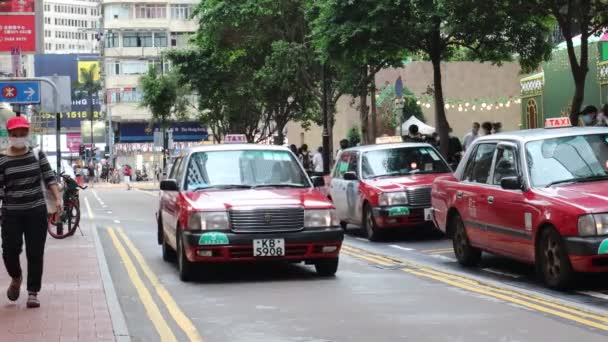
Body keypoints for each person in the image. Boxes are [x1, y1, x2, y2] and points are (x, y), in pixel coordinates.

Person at [0, 116, 62, 308]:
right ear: (9, 135)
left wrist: (58, 198)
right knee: (10, 251)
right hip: (11, 213)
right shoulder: (2, 158)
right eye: (15, 133)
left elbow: (49, 177)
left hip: (36, 211)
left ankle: (33, 292)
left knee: (35, 252)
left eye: (23, 132)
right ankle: (16, 277)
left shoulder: (37, 154)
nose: (19, 136)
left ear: (28, 133)